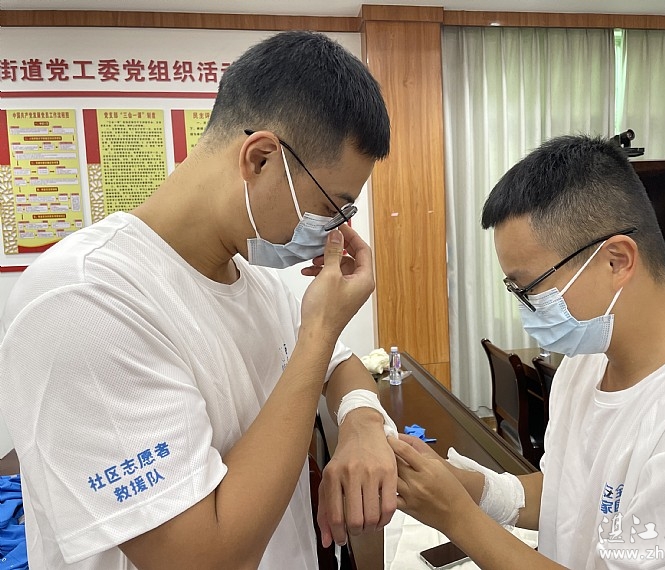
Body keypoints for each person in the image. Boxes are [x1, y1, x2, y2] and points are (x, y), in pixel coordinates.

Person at [0, 31, 399, 569]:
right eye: (333, 206)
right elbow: (203, 558)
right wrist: (320, 330)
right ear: (260, 159)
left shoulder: (255, 283)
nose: (334, 230)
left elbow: (340, 367)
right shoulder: (83, 300)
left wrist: (362, 424)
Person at [389, 135, 665, 568]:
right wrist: (466, 486)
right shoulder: (585, 362)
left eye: (531, 288)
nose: (527, 308)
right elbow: (564, 496)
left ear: (616, 260)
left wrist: (456, 516)